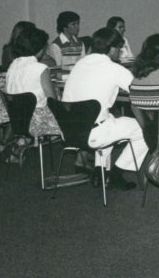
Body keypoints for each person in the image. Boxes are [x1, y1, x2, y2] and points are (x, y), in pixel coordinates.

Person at [61, 27, 147, 190]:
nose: (120, 52)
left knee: (109, 120)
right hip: (93, 133)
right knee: (142, 130)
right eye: (119, 48)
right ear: (112, 48)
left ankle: (100, 171)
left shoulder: (80, 64)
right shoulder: (115, 69)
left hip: (69, 130)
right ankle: (116, 174)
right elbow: (141, 93)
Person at [4, 26, 62, 141]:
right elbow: (52, 99)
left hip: (16, 119)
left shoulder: (14, 64)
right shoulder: (40, 68)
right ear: (41, 49)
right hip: (37, 121)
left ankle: (21, 143)